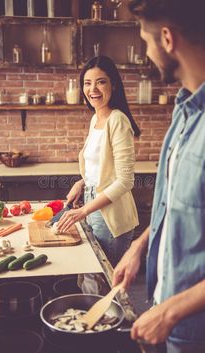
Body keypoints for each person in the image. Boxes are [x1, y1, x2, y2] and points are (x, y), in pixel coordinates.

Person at [112, 0, 205, 352]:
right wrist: (140, 245)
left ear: (168, 39)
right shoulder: (185, 109)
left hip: (203, 333)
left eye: (146, 41)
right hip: (167, 313)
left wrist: (172, 312)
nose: (146, 52)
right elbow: (179, 206)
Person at [57, 55, 140, 267]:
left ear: (114, 85)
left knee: (104, 283)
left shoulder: (118, 120)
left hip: (110, 217)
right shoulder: (96, 118)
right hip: (93, 207)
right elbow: (100, 168)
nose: (93, 89)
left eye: (101, 81)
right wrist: (82, 182)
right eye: (87, 83)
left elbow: (125, 181)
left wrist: (84, 210)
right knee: (91, 276)